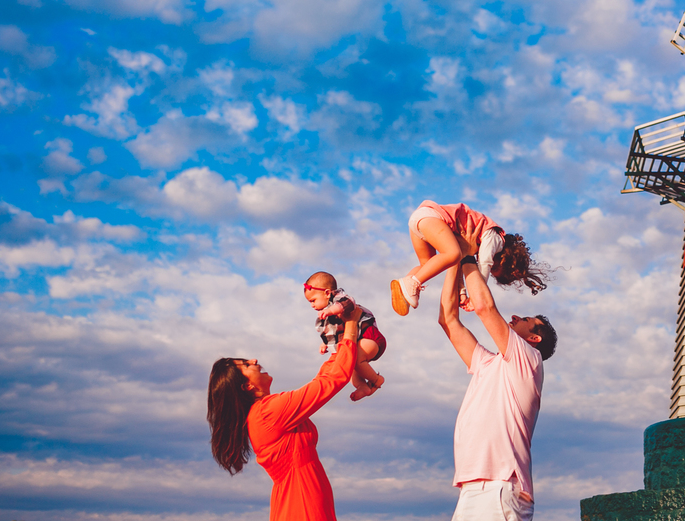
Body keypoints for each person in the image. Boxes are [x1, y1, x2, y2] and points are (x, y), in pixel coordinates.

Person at [437, 220, 558, 521]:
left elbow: (484, 308)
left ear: (534, 339)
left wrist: (469, 255)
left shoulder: (529, 359)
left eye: (526, 320)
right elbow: (448, 320)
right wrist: (454, 259)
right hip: (473, 486)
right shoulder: (487, 363)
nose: (515, 316)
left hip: (501, 486)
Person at [206, 306, 363, 521]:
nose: (254, 361)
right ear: (247, 386)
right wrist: (352, 325)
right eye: (246, 365)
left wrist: (340, 345)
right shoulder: (267, 412)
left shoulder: (261, 415)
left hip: (298, 498)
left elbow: (324, 379)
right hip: (302, 501)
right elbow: (332, 381)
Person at [392, 199, 549, 316]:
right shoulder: (495, 237)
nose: (490, 267)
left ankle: (404, 286)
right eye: (495, 267)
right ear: (505, 259)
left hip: (421, 220)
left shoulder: (476, 245)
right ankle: (413, 283)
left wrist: (462, 292)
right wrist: (476, 295)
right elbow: (485, 263)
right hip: (432, 217)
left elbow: (461, 266)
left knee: (427, 264)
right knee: (452, 254)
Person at [303, 271, 386, 401]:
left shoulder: (339, 300)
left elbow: (349, 304)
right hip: (357, 341)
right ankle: (362, 386)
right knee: (348, 363)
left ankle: (376, 379)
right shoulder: (327, 316)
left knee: (356, 359)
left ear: (327, 293)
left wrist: (331, 310)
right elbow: (334, 332)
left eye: (313, 300)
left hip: (368, 336)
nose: (312, 305)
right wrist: (325, 343)